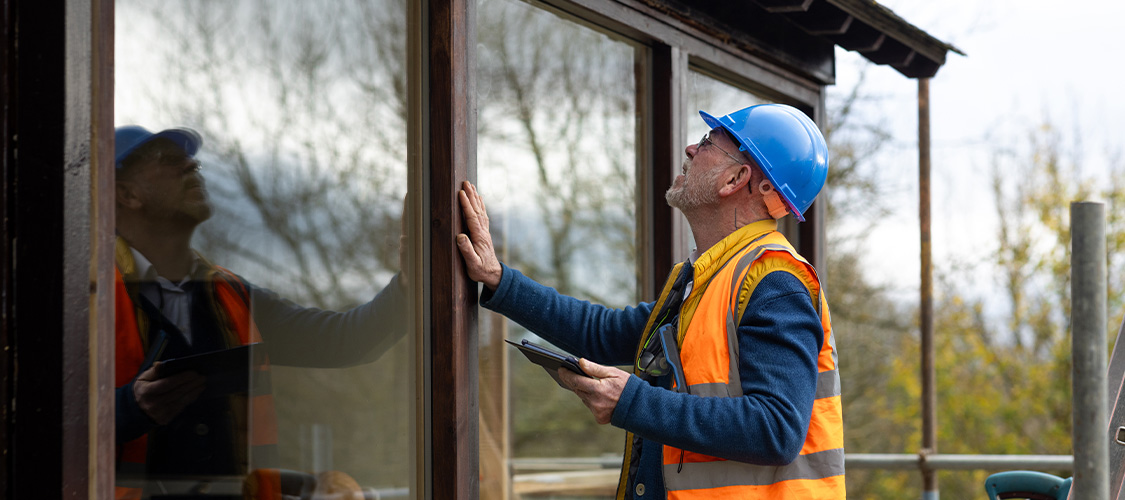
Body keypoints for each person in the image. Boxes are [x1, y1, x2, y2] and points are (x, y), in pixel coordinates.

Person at [457, 104, 844, 499]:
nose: (692, 148)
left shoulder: (774, 284)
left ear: (736, 178)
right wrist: (497, 278)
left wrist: (632, 401)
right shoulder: (709, 280)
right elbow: (602, 333)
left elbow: (776, 429)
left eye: (709, 142)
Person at [112, 125, 410, 499]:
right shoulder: (83, 299)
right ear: (126, 194)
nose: (191, 165)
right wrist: (130, 407)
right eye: (169, 160)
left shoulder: (229, 294)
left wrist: (410, 286)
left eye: (190, 160)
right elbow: (38, 429)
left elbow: (344, 341)